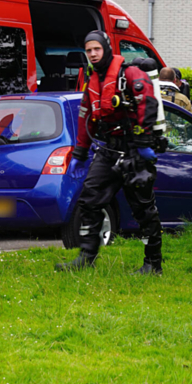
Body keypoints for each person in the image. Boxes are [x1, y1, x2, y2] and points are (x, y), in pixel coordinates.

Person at [56, 30, 166, 274]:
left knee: (144, 210)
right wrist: (79, 154)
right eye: (89, 50)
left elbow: (148, 104)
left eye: (97, 49)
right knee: (89, 200)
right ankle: (86, 256)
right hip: (108, 151)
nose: (93, 54)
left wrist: (143, 144)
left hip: (135, 150)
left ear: (106, 48)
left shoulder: (130, 74)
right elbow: (86, 116)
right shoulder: (92, 82)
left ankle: (153, 264)